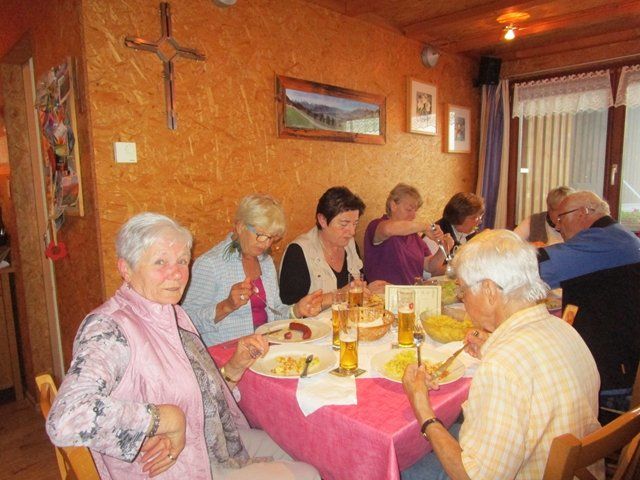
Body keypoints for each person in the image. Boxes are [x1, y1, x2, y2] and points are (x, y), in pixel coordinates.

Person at [46, 212, 320, 480]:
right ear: (125, 269)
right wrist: (164, 418)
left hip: (212, 441)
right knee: (307, 474)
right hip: (175, 466)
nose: (176, 274)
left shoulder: (172, 314)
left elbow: (197, 393)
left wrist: (234, 367)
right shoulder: (110, 328)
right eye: (160, 262)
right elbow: (66, 416)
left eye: (182, 261)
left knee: (303, 450)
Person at [402, 229, 602, 480]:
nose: (463, 299)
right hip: (572, 469)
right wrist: (491, 347)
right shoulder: (564, 329)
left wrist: (422, 408)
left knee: (399, 468)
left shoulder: (501, 367)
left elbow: (472, 476)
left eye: (463, 290)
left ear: (489, 290)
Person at [182, 194, 323, 346]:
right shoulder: (210, 264)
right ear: (240, 226)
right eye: (261, 235)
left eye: (271, 237)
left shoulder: (265, 262)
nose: (266, 244)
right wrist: (226, 306)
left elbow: (274, 313)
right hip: (228, 352)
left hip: (265, 347)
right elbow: (186, 323)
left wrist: (297, 310)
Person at [538, 191, 640, 398]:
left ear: (582, 212)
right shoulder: (616, 235)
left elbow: (534, 268)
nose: (558, 227)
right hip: (618, 358)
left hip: (610, 378)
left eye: (561, 218)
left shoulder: (603, 242)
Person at [279, 186, 384, 309]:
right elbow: (290, 309)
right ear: (322, 220)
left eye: (355, 224)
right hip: (315, 322)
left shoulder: (350, 244)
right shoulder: (298, 252)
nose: (352, 232)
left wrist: (368, 289)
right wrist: (340, 295)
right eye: (344, 224)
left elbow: (356, 287)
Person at [363, 183, 453, 285]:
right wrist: (426, 227)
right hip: (384, 293)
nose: (413, 215)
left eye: (415, 211)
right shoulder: (377, 225)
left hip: (411, 292)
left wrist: (444, 248)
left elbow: (430, 266)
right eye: (409, 210)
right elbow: (388, 230)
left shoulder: (414, 236)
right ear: (393, 205)